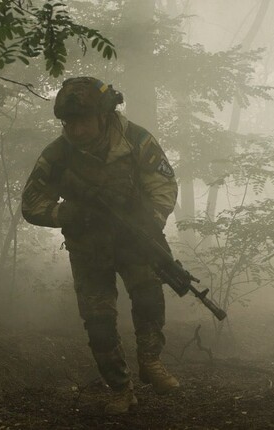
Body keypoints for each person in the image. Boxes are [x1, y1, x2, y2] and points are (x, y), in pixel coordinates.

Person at [21, 77, 179, 414]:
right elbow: (31, 203)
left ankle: (150, 361)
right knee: (99, 322)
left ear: (103, 116)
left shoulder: (135, 139)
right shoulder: (58, 154)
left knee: (150, 299)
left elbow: (163, 183)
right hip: (88, 247)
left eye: (82, 121)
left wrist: (149, 222)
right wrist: (66, 213)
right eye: (68, 123)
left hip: (134, 238)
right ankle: (120, 389)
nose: (75, 130)